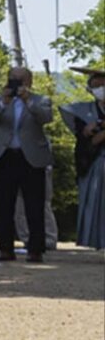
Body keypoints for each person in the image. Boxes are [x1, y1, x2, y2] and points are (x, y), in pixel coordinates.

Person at [0, 66, 55, 264]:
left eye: (21, 79)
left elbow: (46, 118)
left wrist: (27, 100)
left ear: (29, 82)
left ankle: (35, 249)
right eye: (13, 79)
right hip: (5, 156)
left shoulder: (40, 100)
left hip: (31, 157)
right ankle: (5, 248)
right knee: (4, 204)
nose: (17, 83)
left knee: (34, 205)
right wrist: (4, 103)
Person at [68, 69, 105, 251]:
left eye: (103, 85)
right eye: (96, 86)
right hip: (96, 162)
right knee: (97, 203)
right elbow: (89, 139)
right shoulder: (83, 112)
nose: (100, 89)